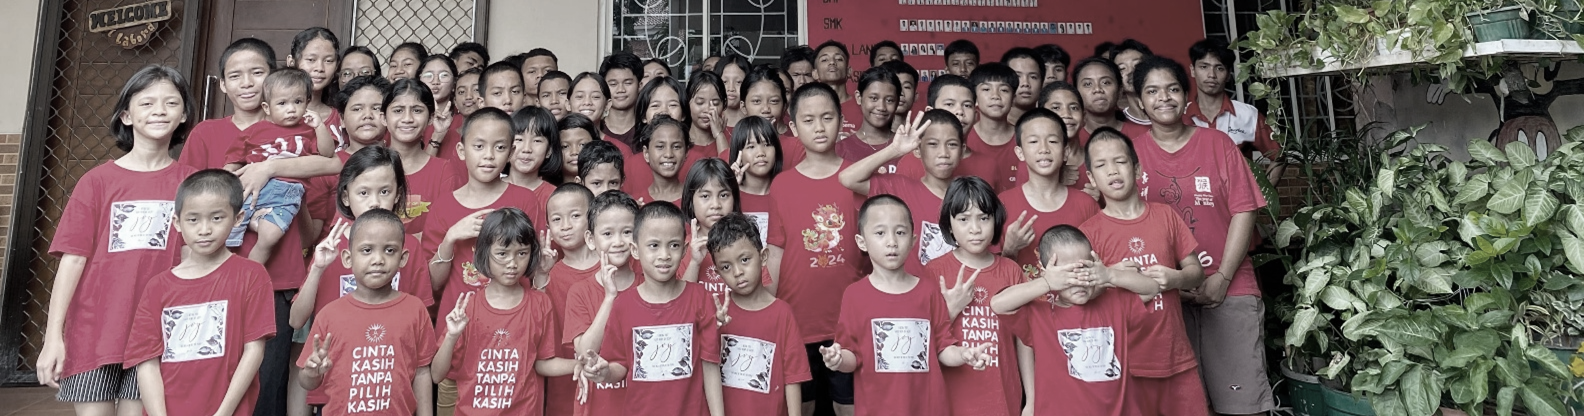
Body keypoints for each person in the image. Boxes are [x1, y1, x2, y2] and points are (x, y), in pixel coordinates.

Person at [36, 66, 198, 415]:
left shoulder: (193, 184)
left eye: (171, 103)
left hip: (157, 332)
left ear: (184, 114)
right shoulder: (97, 182)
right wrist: (53, 337)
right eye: (147, 103)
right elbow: (73, 260)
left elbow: (194, 260)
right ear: (126, 115)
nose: (159, 111)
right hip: (94, 331)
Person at [1129, 55, 1274, 416]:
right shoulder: (1130, 154)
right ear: (1139, 101)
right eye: (1152, 91)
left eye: (1172, 89)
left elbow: (1245, 209)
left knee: (1242, 404)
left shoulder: (1218, 144)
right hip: (1163, 296)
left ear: (1186, 95)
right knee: (1185, 408)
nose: (1164, 98)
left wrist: (1222, 277)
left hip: (1229, 286)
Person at [819, 195, 992, 416]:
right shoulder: (854, 295)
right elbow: (852, 356)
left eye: (900, 232)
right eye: (880, 233)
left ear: (913, 239)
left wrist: (964, 354)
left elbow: (943, 348)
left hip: (928, 408)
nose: (892, 241)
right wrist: (837, 360)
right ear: (862, 242)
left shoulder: (928, 292)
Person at [1078, 128, 1210, 416]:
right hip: (1125, 363)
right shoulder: (1089, 233)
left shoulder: (1165, 215)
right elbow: (1083, 298)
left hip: (1176, 357)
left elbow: (1196, 272)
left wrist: (1176, 278)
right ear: (1091, 178)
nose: (1112, 171)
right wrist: (1110, 274)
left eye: (1120, 161)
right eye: (1101, 165)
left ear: (1137, 169)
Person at [124, 170, 275, 416]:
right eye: (193, 219)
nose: (204, 229)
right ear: (177, 222)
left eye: (216, 218)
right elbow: (147, 362)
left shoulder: (252, 275)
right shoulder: (158, 287)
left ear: (238, 218)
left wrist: (223, 414)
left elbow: (254, 351)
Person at [989, 225, 1157, 416]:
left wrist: (1109, 274)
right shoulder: (1039, 315)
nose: (1078, 280)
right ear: (1046, 271)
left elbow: (1152, 288)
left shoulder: (1115, 303)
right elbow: (998, 304)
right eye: (1067, 273)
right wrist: (1047, 283)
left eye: (1084, 269)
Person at [768, 83, 863, 416]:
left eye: (827, 117)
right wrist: (768, 307)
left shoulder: (857, 179)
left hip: (848, 320)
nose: (819, 127)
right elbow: (775, 251)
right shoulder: (782, 184)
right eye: (808, 120)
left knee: (848, 405)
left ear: (841, 121)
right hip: (798, 319)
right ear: (794, 128)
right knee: (802, 406)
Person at [580, 202, 726, 416]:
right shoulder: (623, 305)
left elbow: (710, 364)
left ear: (685, 250)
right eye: (654, 245)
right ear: (635, 250)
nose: (664, 255)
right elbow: (620, 364)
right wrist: (605, 373)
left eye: (674, 245)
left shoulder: (699, 298)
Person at [433, 208, 578, 416]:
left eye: (522, 253)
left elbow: (542, 363)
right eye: (502, 254)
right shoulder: (468, 307)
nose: (512, 263)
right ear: (484, 253)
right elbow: (437, 374)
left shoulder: (540, 303)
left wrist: (580, 365)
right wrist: (451, 336)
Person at [297, 209, 437, 416]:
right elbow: (306, 381)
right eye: (367, 250)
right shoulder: (329, 315)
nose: (378, 259)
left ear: (403, 258)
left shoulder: (415, 310)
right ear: (347, 258)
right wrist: (312, 372)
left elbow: (422, 371)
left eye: (389, 250)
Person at [921, 176, 1025, 416]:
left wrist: (1031, 398)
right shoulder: (934, 272)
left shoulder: (1011, 271)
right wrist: (951, 309)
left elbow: (1024, 341)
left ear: (996, 219)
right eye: (964, 219)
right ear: (949, 224)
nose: (975, 229)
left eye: (984, 218)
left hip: (1002, 397)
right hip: (953, 399)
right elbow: (923, 342)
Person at [223, 68, 336, 267]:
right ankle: (228, 271)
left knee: (269, 237)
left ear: (307, 102)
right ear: (267, 107)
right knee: (226, 233)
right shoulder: (253, 132)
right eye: (282, 103)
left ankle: (250, 273)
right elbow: (231, 166)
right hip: (252, 189)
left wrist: (319, 126)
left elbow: (327, 154)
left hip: (286, 192)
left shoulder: (309, 132)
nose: (291, 109)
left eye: (298, 102)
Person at [708, 213, 811, 416]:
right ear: (718, 273)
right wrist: (713, 327)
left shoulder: (782, 313)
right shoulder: (715, 310)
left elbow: (793, 376)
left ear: (763, 257)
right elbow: (704, 365)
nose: (737, 272)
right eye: (726, 267)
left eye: (745, 260)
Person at [839, 110, 958, 276]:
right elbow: (848, 178)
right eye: (933, 144)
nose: (943, 153)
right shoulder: (901, 188)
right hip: (914, 290)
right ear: (917, 150)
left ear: (962, 149)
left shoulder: (970, 196)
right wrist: (895, 150)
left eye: (952, 144)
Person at [561, 191, 642, 416]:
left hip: (641, 403)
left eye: (627, 232)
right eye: (607, 233)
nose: (618, 242)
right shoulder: (580, 292)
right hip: (598, 405)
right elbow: (585, 352)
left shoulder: (648, 285)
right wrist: (609, 297)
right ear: (590, 239)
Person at [998, 108, 1099, 279]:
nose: (1044, 149)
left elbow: (1100, 265)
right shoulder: (1003, 203)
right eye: (1033, 141)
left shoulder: (1086, 204)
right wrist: (1010, 249)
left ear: (1065, 152)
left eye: (1052, 141)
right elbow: (991, 275)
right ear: (1020, 153)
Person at [1186, 38, 1284, 184]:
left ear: (1228, 74)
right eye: (1204, 67)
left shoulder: (1247, 115)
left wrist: (1262, 195)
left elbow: (1279, 157)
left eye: (1219, 68)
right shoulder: (1179, 116)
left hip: (1237, 198)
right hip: (1192, 197)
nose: (1211, 74)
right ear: (1193, 70)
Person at [541, 183, 601, 415]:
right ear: (548, 226)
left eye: (575, 216)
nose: (565, 225)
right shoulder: (549, 275)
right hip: (566, 382)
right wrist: (542, 277)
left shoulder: (613, 266)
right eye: (557, 219)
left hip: (614, 381)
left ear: (592, 218)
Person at [382, 79, 466, 240]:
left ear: (431, 118)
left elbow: (447, 232)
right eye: (398, 110)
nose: (407, 118)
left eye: (417, 110)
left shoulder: (446, 172)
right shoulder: (367, 168)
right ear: (383, 118)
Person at [181, 38, 275, 179]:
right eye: (235, 76)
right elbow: (187, 186)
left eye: (257, 73)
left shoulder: (294, 129)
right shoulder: (205, 133)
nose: (246, 83)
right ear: (223, 85)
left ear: (274, 77)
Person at [680, 158, 771, 298]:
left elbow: (763, 298)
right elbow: (680, 303)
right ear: (690, 201)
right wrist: (694, 263)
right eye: (705, 196)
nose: (716, 205)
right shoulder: (684, 248)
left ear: (734, 198)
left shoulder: (746, 242)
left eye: (724, 195)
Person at [893, 75, 998, 183]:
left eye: (967, 105)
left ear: (976, 115)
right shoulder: (910, 162)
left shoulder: (988, 165)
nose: (960, 111)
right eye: (949, 104)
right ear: (930, 111)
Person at [726, 116, 784, 251]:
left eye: (767, 144)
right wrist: (730, 189)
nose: (761, 153)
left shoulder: (786, 194)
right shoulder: (729, 196)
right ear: (738, 153)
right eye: (751, 146)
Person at [630, 76, 694, 190]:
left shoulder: (697, 162)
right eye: (655, 105)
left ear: (684, 114)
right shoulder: (630, 166)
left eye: (672, 105)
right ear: (643, 116)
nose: (664, 111)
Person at [507, 106, 564, 229]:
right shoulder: (491, 187)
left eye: (537, 141)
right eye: (519, 139)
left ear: (549, 151)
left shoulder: (554, 197)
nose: (527, 149)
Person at [968, 63, 1021, 192]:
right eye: (986, 89)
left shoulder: (1025, 139)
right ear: (974, 97)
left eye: (1004, 90)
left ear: (1013, 99)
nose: (995, 96)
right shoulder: (963, 139)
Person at [835, 66, 900, 167]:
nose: (881, 107)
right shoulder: (840, 149)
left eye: (889, 100)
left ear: (897, 102)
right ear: (858, 98)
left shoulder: (905, 146)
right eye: (874, 98)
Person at [738, 65, 804, 164]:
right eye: (756, 101)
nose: (766, 109)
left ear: (784, 106)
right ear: (743, 107)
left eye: (774, 101)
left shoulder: (797, 149)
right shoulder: (733, 152)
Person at [1071, 57, 1147, 138]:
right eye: (1088, 84)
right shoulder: (1070, 137)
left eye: (1106, 82)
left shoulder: (1143, 135)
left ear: (1120, 91)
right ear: (1076, 93)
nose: (1097, 89)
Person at [630, 116, 690, 205]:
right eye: (660, 147)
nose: (668, 154)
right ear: (646, 153)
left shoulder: (694, 200)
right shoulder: (637, 203)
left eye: (676, 147)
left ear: (686, 152)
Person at [418, 55, 464, 161]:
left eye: (443, 75)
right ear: (419, 79)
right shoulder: (411, 119)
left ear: (454, 82)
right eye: (428, 75)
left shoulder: (464, 119)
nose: (435, 81)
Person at [599, 52, 646, 147]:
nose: (620, 90)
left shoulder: (648, 131)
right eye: (613, 84)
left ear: (640, 86)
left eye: (628, 83)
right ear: (603, 87)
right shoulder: (595, 130)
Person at [687, 71, 731, 162]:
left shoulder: (732, 140)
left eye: (715, 103)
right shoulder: (679, 141)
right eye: (700, 103)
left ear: (724, 104)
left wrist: (719, 135)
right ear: (687, 102)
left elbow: (728, 169)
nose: (707, 109)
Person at [813, 41, 855, 133]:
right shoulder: (809, 107)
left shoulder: (862, 105)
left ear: (849, 71)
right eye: (824, 60)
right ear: (815, 73)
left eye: (839, 59)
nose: (832, 62)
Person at [1109, 39, 1154, 126]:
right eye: (1122, 69)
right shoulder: (1116, 125)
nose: (1130, 72)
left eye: (1137, 65)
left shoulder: (1177, 115)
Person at [1001, 47, 1046, 124]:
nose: (1025, 83)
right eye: (1017, 76)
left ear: (1042, 83)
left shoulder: (1049, 125)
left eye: (1033, 77)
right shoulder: (986, 125)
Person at [715, 54, 752, 128]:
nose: (731, 88)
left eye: (738, 82)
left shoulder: (755, 123)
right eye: (724, 82)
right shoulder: (709, 122)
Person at [882, 61, 919, 126]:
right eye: (894, 86)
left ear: (915, 96)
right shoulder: (867, 132)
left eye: (906, 87)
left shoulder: (922, 132)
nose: (900, 93)